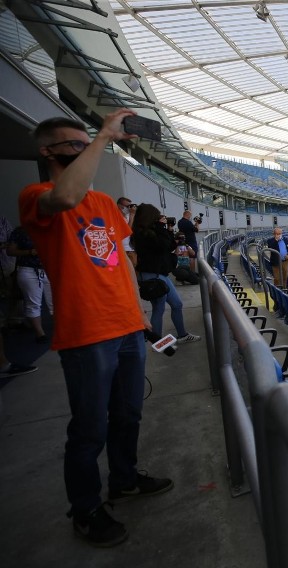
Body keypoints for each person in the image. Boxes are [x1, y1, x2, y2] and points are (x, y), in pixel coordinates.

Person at [18, 109, 172, 548]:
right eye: (74, 145)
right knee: (89, 428)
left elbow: (122, 258)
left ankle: (123, 479)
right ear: (47, 151)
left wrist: (137, 310)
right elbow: (66, 198)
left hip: (124, 325)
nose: (84, 149)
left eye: (85, 144)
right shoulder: (37, 196)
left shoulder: (104, 204)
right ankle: (85, 508)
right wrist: (105, 137)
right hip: (85, 332)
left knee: (129, 413)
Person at [132, 204, 200, 344]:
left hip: (160, 275)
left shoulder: (152, 232)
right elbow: (162, 245)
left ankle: (182, 335)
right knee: (159, 308)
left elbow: (169, 245)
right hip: (152, 275)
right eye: (157, 217)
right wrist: (160, 228)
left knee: (177, 304)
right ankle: (157, 341)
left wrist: (168, 229)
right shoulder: (143, 234)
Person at [6, 225, 53, 342]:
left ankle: (61, 329)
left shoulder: (51, 228)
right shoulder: (20, 231)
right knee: (33, 302)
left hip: (49, 268)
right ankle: (40, 334)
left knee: (56, 301)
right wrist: (30, 252)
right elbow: (10, 251)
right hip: (28, 269)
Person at [116, 197, 137, 266]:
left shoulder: (127, 217)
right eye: (127, 206)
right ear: (119, 205)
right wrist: (132, 215)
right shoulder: (116, 216)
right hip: (122, 249)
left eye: (130, 206)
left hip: (130, 248)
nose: (129, 208)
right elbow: (127, 231)